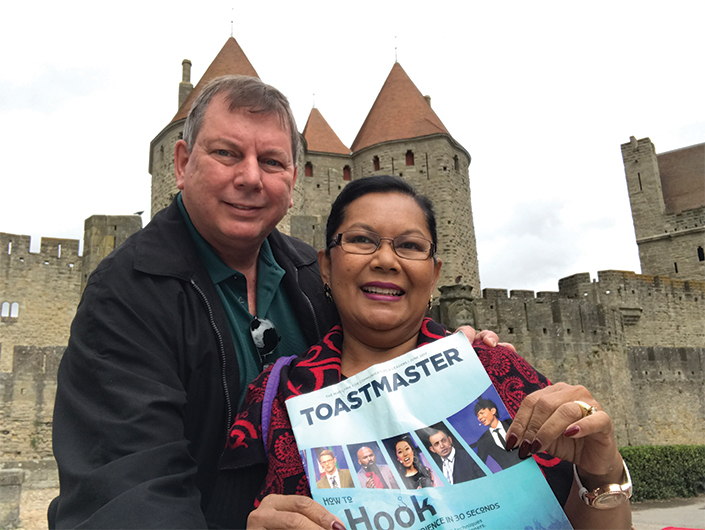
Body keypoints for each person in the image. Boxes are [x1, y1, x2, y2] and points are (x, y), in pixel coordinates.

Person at [48, 75, 501, 529]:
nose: (249, 178)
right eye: (226, 153)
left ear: (294, 180)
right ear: (182, 164)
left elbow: (378, 355)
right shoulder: (126, 294)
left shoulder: (311, 272)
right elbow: (124, 495)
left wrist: (455, 355)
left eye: (271, 161)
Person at [220, 175, 631, 530]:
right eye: (362, 240)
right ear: (326, 266)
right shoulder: (275, 401)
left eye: (410, 246)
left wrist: (602, 472)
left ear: (433, 274)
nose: (385, 259)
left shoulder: (500, 374)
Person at [472, 397, 521, 470]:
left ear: (493, 411)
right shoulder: (483, 441)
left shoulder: (512, 422)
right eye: (478, 415)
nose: (480, 418)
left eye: (482, 413)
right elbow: (479, 466)